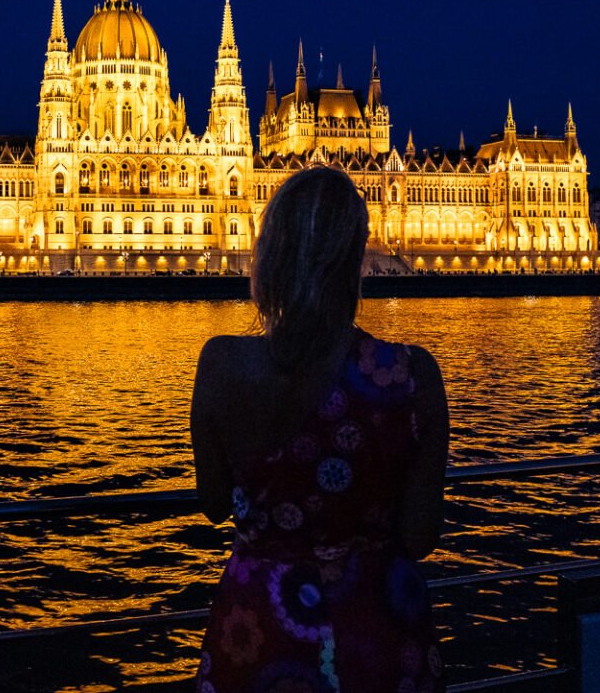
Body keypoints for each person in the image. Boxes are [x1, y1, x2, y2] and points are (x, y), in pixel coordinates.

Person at [191, 166, 449, 693]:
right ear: (356, 259)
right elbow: (421, 536)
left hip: (261, 628)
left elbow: (215, 503)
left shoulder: (221, 365)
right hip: (377, 630)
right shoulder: (412, 375)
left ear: (269, 256)